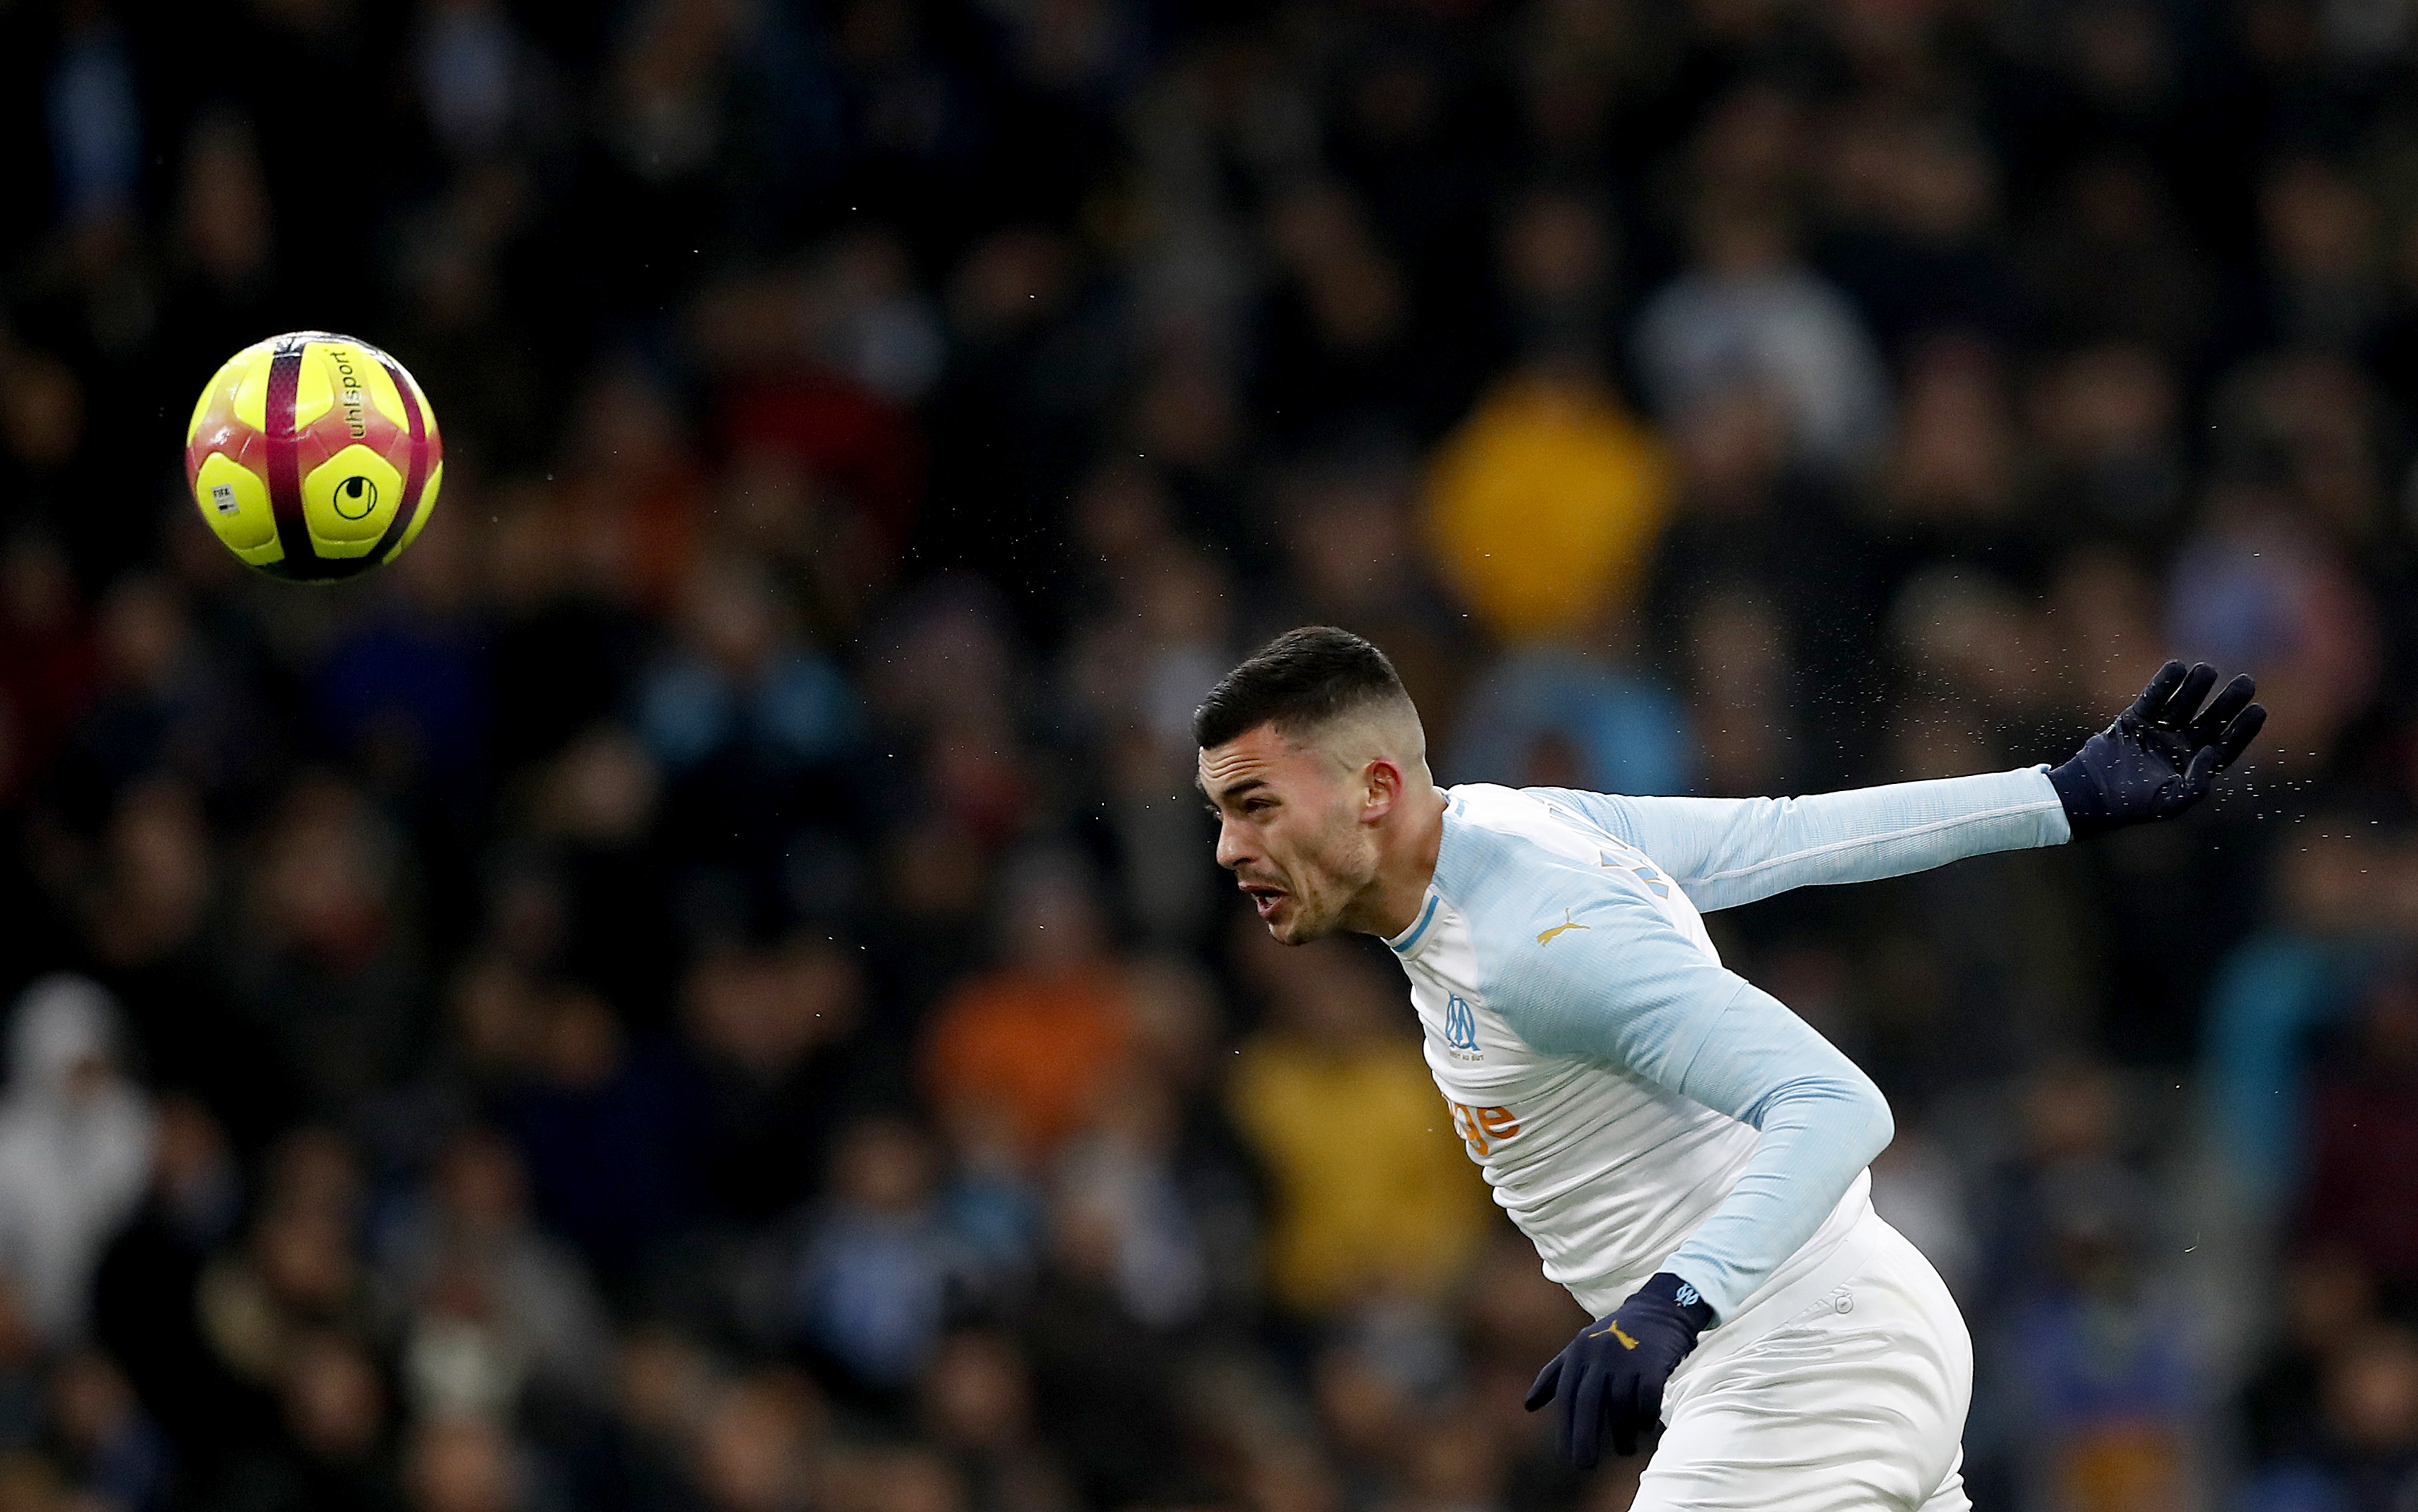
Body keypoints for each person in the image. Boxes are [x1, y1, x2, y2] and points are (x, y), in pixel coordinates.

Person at [1192, 626, 2262, 1511]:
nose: (1230, 851)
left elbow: (1835, 1103)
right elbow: (1781, 839)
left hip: (1805, 1361)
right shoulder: (1514, 827)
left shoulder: (1542, 943)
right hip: (1831, 1341)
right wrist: (2057, 795)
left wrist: (1668, 1304)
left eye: (1256, 805)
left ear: (1375, 790)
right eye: (1221, 814)